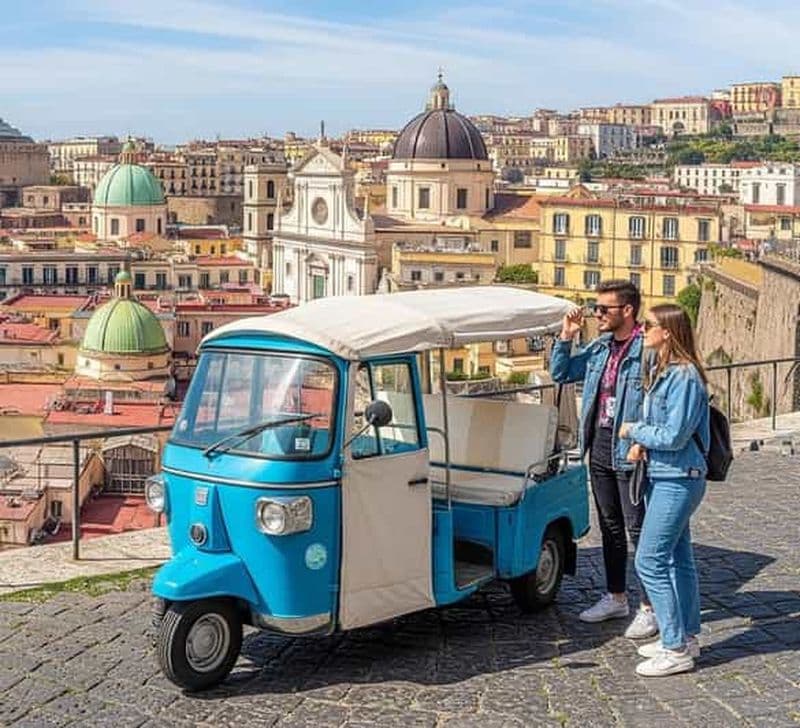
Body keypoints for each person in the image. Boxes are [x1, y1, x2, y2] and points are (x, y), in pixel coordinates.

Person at [551, 280, 657, 640]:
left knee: (638, 529)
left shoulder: (648, 350)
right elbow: (560, 373)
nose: (596, 315)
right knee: (610, 526)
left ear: (627, 310)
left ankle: (650, 606)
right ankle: (616, 597)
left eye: (603, 310)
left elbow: (661, 398)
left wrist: (644, 438)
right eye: (595, 308)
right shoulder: (598, 348)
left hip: (631, 448)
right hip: (599, 444)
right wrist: (567, 336)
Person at [618, 303, 710, 677]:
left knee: (649, 560)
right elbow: (665, 427)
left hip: (679, 477)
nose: (642, 329)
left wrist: (633, 431)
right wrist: (645, 442)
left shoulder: (685, 376)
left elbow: (673, 434)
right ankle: (686, 637)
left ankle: (674, 649)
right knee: (677, 559)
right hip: (665, 474)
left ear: (668, 332)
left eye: (650, 325)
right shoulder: (665, 371)